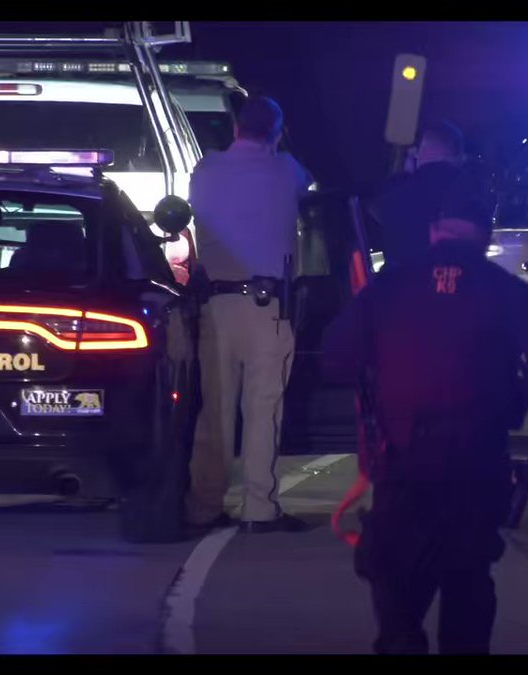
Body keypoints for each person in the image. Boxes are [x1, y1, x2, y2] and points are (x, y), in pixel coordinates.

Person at [321, 178, 528, 654]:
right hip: (478, 465)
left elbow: (336, 357)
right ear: (483, 238)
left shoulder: (392, 286)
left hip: (405, 466)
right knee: (467, 587)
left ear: (434, 233)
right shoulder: (506, 292)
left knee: (397, 589)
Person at [184, 96, 314, 534]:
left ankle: (205, 503)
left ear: (236, 128)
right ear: (276, 133)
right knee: (263, 410)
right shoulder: (286, 170)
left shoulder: (205, 171)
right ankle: (259, 507)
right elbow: (307, 188)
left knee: (215, 411)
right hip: (267, 307)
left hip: (215, 307)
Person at [368, 121, 465, 270]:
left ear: (423, 151)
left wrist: (404, 175)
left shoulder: (397, 195)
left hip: (403, 286)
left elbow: (374, 214)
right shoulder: (468, 188)